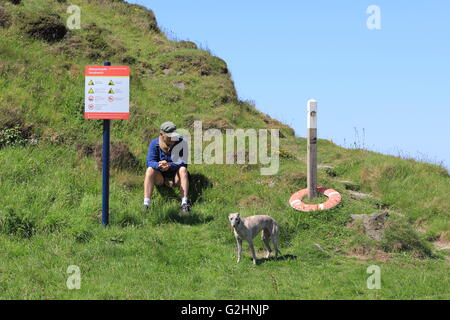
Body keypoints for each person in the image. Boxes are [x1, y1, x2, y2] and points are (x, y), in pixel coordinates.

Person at [143, 121, 190, 212]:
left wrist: (169, 165)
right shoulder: (154, 143)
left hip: (176, 176)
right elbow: (149, 162)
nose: (172, 139)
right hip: (160, 177)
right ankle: (146, 204)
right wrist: (159, 165)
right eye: (169, 137)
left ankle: (184, 204)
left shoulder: (182, 142)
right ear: (161, 134)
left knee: (183, 169)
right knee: (149, 170)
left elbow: (184, 161)